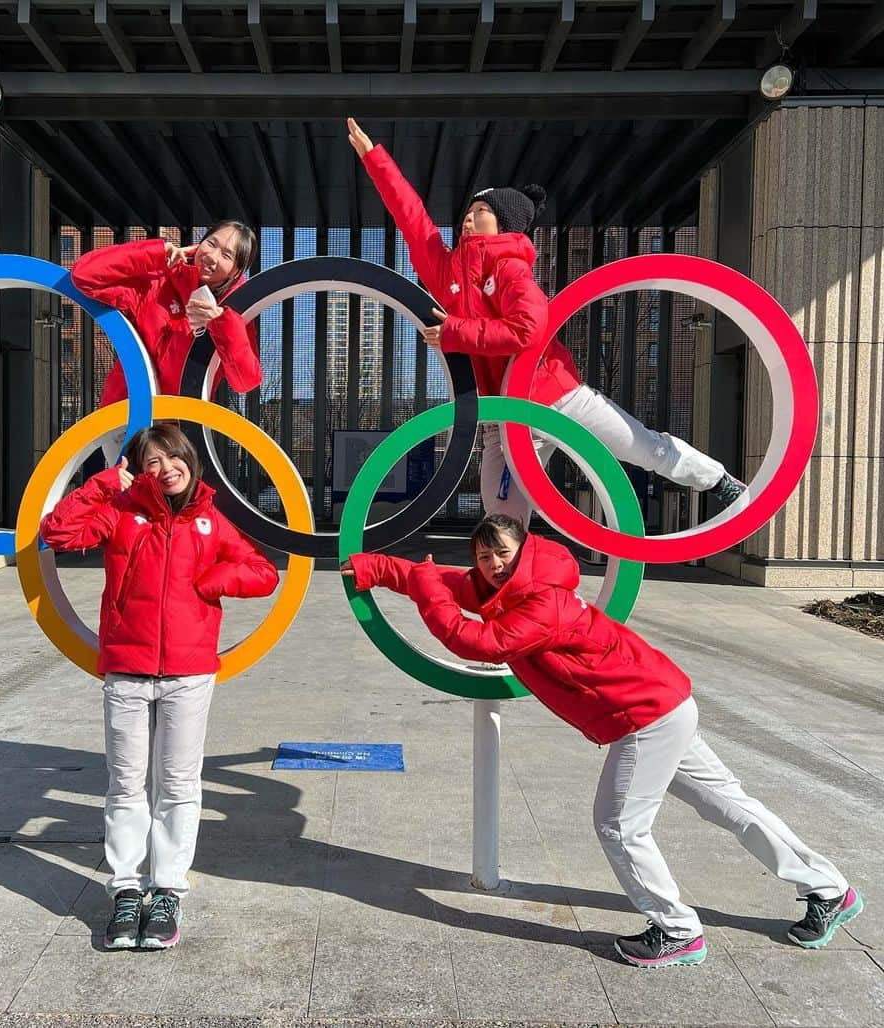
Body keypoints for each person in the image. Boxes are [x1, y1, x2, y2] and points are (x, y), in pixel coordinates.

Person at [342, 513, 862, 968]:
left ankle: (677, 932)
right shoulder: (507, 589)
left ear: (522, 550)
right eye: (483, 556)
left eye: (502, 552)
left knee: (618, 825)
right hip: (663, 704)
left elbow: (473, 639)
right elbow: (441, 582)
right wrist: (375, 569)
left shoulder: (541, 603)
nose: (492, 564)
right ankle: (830, 889)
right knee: (728, 806)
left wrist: (431, 590)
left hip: (645, 716)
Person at [345, 117, 746, 524]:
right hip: (503, 416)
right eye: (468, 210)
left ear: (504, 224)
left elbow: (527, 330)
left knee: (642, 447)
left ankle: (718, 481)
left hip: (558, 397)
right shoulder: (447, 271)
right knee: (500, 520)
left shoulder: (510, 269)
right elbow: (411, 218)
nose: (468, 217)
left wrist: (455, 332)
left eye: (480, 211)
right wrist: (374, 158)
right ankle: (509, 584)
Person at [40, 423, 279, 950]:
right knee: (125, 784)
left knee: (177, 785)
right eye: (152, 462)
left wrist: (214, 582)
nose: (166, 469)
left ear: (190, 461)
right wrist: (105, 484)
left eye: (173, 458)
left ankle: (166, 890)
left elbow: (263, 573)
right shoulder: (121, 510)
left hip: (189, 675)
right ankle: (126, 890)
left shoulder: (211, 521)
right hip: (126, 670)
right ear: (138, 469)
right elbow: (56, 533)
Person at [72, 222, 263, 464]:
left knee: (168, 500)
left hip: (179, 433)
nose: (212, 257)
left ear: (236, 271)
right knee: (125, 495)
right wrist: (155, 254)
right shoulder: (158, 281)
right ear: (199, 244)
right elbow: (83, 275)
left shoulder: (234, 312)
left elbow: (246, 381)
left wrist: (220, 322)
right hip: (126, 416)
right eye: (211, 243)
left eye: (227, 255)